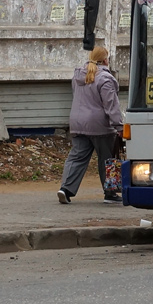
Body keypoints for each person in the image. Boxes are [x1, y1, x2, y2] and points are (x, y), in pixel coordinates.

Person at [58, 46, 123, 204]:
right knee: (108, 158)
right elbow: (111, 105)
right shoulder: (105, 79)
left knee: (77, 157)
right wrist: (119, 126)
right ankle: (110, 193)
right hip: (99, 125)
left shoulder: (78, 75)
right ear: (105, 60)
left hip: (78, 122)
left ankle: (65, 189)